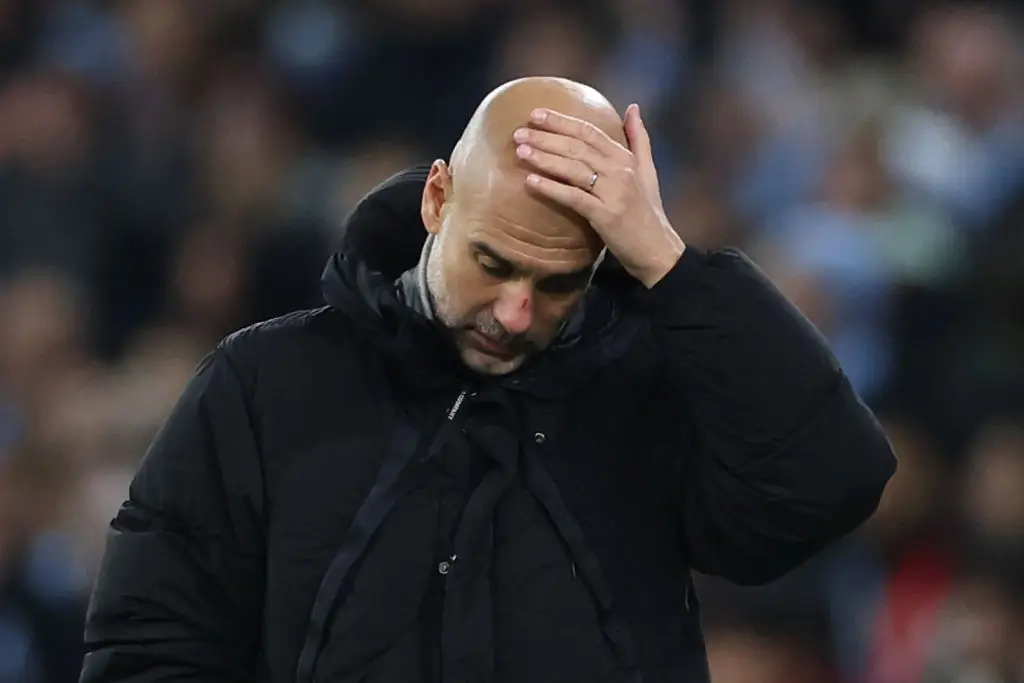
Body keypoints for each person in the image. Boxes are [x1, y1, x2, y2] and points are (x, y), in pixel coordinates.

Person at [80, 77, 896, 683]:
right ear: (438, 197)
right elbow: (151, 644)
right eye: (492, 264)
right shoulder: (263, 384)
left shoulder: (645, 387)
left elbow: (828, 482)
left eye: (556, 283)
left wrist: (672, 266)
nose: (512, 313)